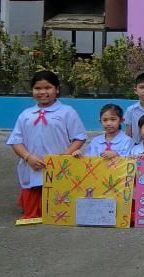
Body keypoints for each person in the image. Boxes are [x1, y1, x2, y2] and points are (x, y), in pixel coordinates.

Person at [7, 71, 87, 219]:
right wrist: (28, 157)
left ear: (57, 89)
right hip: (31, 165)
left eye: (48, 87)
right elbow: (15, 141)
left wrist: (63, 157)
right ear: (32, 90)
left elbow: (79, 137)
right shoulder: (26, 115)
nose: (42, 92)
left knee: (58, 206)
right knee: (33, 195)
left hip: (58, 167)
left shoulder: (67, 112)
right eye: (37, 88)